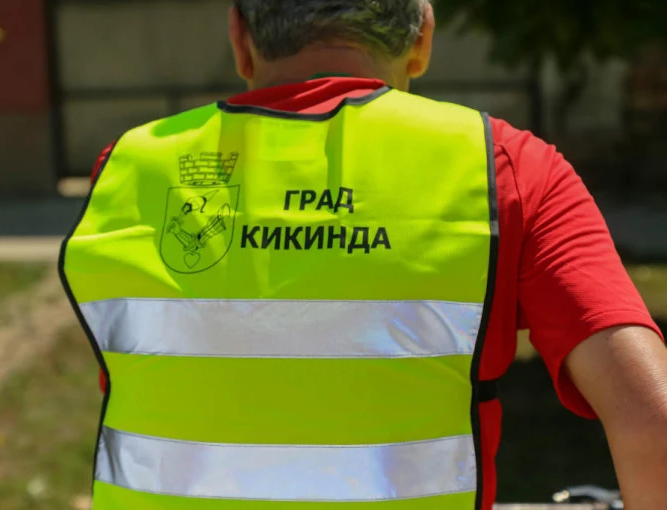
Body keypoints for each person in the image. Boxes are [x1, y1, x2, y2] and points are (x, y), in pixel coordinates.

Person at [59, 1, 667, 509]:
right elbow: (651, 417)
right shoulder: (504, 166)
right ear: (422, 37)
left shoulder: (128, 168)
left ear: (240, 37)